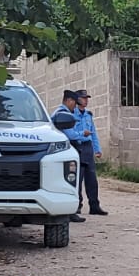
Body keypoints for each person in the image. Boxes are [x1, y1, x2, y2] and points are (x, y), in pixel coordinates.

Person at [50, 90, 86, 222]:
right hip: (65, 151)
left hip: (60, 152)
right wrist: (82, 134)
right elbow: (70, 135)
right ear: (69, 100)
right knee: (71, 180)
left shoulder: (59, 113)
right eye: (74, 103)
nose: (75, 107)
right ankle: (70, 211)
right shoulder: (62, 114)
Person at [72, 89, 108, 216]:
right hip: (77, 146)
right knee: (77, 179)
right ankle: (77, 205)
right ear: (77, 100)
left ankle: (94, 205)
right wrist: (82, 134)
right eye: (83, 98)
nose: (86, 100)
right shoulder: (72, 114)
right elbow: (71, 133)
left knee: (92, 179)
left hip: (88, 147)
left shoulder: (88, 115)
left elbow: (93, 134)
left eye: (87, 98)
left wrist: (97, 149)